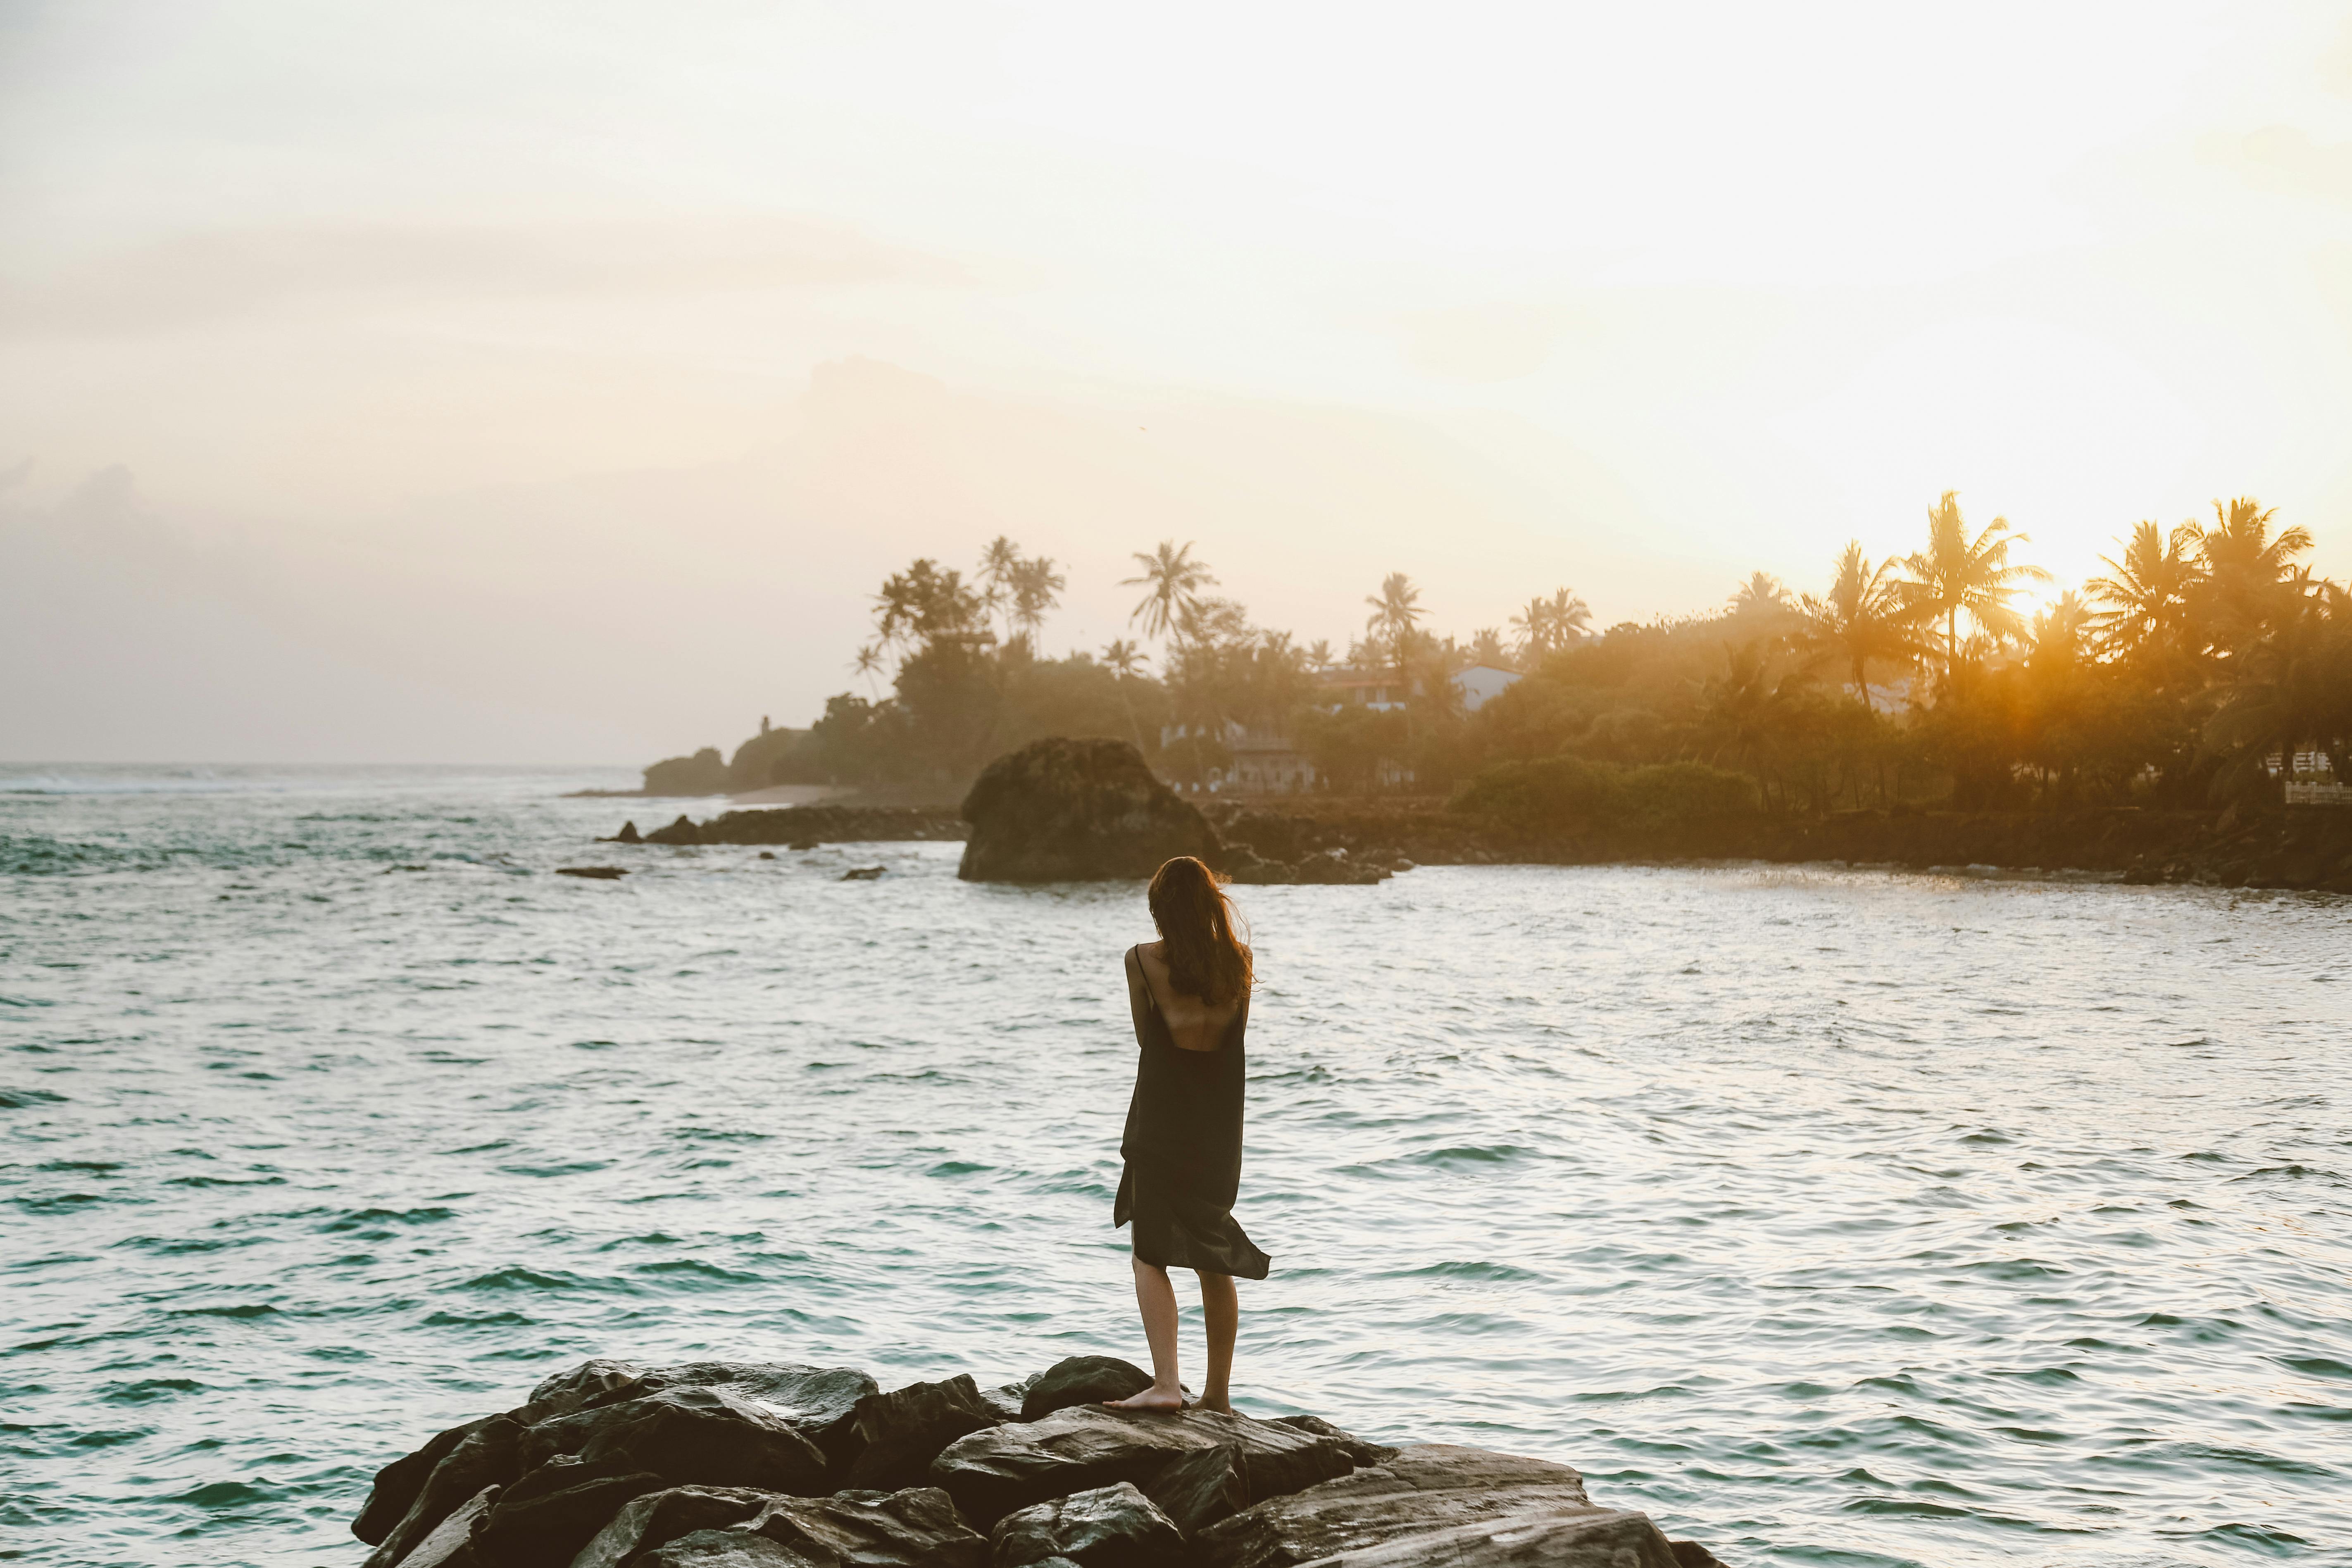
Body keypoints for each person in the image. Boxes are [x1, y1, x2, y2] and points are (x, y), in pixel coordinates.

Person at [1106, 854, 1270, 1414]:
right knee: (1213, 1259)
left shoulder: (1141, 961)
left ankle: (1168, 1384)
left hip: (1162, 1122)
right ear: (1209, 904)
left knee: (1148, 1254)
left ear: (1159, 910)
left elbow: (1145, 1038)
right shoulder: (1239, 962)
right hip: (1218, 1128)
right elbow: (1233, 1044)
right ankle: (1218, 1396)